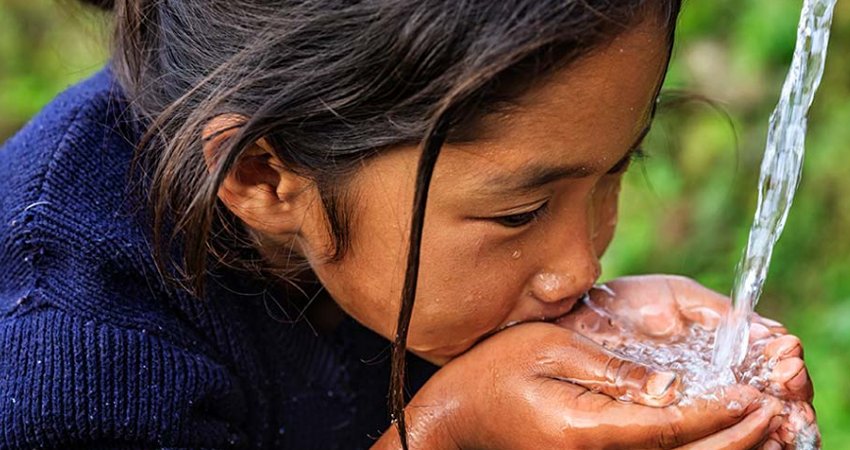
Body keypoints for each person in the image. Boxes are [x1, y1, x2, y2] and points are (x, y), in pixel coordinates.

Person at [0, 0, 815, 448]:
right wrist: (450, 437)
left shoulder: (394, 234)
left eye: (616, 171)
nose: (579, 265)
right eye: (521, 211)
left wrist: (601, 348)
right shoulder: (68, 357)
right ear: (262, 174)